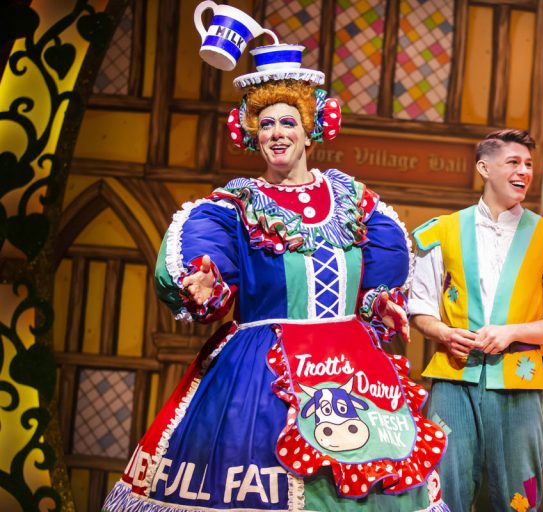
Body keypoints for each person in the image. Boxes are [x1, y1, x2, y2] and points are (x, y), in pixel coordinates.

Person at [102, 43, 448, 512]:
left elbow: (377, 277)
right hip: (263, 372)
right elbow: (210, 263)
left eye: (288, 122)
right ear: (252, 134)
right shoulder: (235, 205)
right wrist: (204, 280)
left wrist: (378, 304)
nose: (277, 133)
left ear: (310, 131)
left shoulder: (352, 199)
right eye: (266, 124)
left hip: (350, 368)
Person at [409, 129, 543, 512]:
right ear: (484, 168)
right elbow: (419, 306)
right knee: (443, 488)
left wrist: (512, 333)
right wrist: (442, 331)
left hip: (517, 381)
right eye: (514, 162)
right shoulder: (442, 232)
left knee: (516, 496)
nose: (524, 171)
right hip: (453, 378)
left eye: (529, 165)